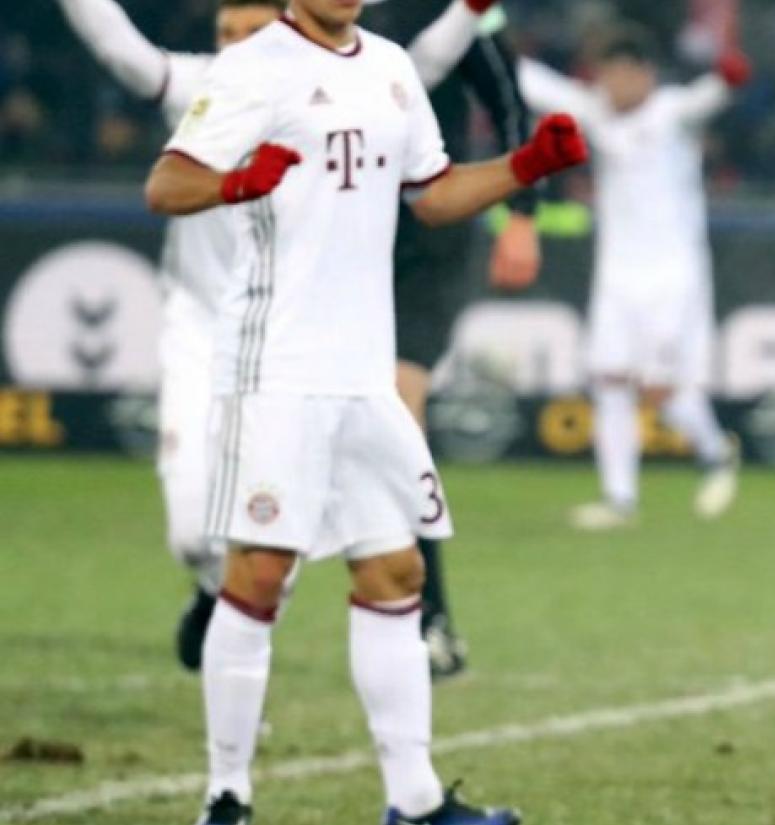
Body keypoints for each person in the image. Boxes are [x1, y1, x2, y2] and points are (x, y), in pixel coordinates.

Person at [142, 0, 586, 820]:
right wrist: (235, 182)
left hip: (363, 374)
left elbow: (435, 193)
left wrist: (523, 168)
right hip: (275, 367)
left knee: (396, 572)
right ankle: (227, 796)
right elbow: (167, 183)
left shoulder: (389, 67)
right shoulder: (251, 67)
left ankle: (413, 803)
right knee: (260, 575)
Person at [54, 0, 485, 674]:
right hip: (206, 330)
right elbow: (117, 48)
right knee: (197, 532)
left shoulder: (344, 79)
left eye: (249, 32)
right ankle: (213, 602)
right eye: (225, 33)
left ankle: (405, 716)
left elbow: (421, 70)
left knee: (341, 537)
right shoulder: (208, 84)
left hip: (299, 335)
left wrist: (469, 15)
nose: (236, 44)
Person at [362, 0, 549, 680]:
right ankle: (230, 599)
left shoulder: (450, 9)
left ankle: (430, 616)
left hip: (424, 236)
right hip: (331, 233)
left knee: (396, 406)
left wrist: (522, 213)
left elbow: (506, 98)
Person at [515, 28, 749, 530]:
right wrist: (480, 32)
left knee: (657, 390)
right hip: (616, 272)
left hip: (672, 271)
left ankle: (714, 452)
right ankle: (619, 499)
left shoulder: (672, 111)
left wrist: (728, 68)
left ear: (645, 75)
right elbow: (534, 84)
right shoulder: (593, 109)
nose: (616, 86)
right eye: (608, 75)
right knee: (609, 381)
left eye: (626, 75)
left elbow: (717, 90)